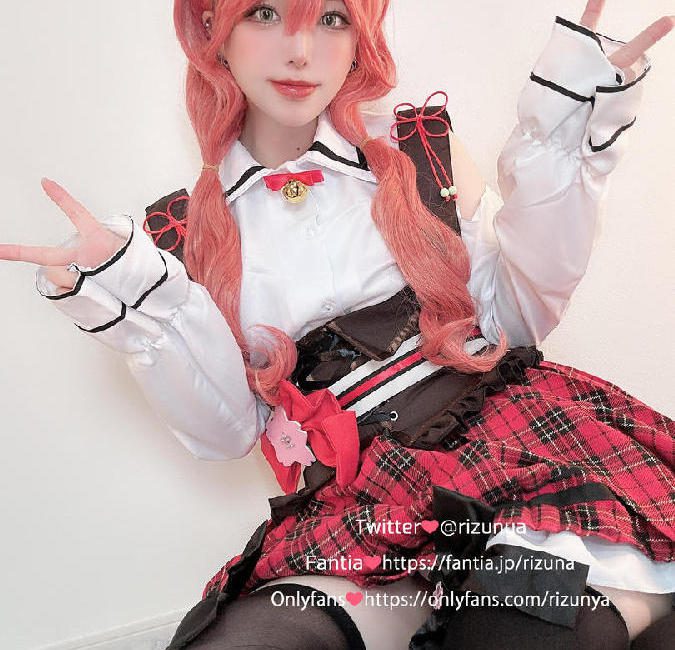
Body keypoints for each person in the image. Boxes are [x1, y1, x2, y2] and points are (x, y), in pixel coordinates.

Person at [1, 1, 673, 648]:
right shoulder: (177, 233)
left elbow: (517, 321)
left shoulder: (420, 149)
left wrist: (563, 136)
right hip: (366, 502)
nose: (300, 51)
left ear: (360, 37)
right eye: (264, 13)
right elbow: (227, 431)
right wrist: (132, 297)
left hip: (514, 448)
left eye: (331, 19)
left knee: (529, 622)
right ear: (212, 28)